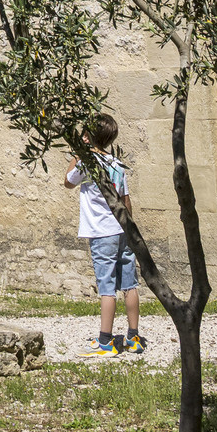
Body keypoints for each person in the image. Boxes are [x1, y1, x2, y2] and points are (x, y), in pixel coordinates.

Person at [65, 113, 144, 357]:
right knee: (129, 283)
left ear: (88, 136)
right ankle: (133, 337)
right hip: (122, 230)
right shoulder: (116, 163)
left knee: (106, 287)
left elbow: (68, 181)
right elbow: (126, 200)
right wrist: (130, 231)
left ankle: (106, 342)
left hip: (101, 234)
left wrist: (79, 153)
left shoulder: (87, 163)